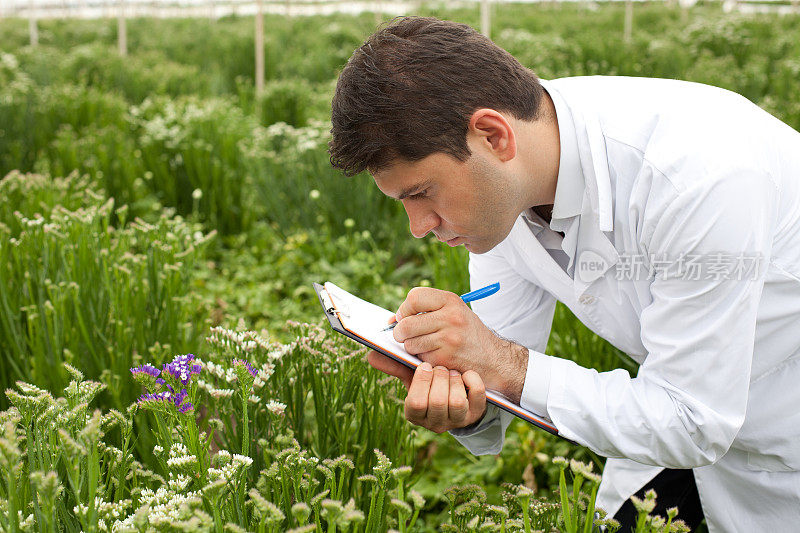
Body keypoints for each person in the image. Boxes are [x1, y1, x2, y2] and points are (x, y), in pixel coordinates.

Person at [327, 16, 800, 532]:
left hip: (778, 447)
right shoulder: (510, 185)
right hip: (672, 436)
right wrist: (469, 401)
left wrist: (503, 364)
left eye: (421, 194)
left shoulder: (699, 177)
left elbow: (693, 419)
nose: (419, 227)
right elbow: (500, 373)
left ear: (492, 135)